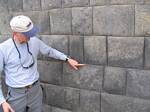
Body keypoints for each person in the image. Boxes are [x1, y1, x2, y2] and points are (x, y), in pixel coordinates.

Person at [0, 15, 85, 112]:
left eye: (31, 32)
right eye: (27, 34)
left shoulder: (34, 41)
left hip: (35, 91)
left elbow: (49, 51)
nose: (30, 36)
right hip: (16, 95)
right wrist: (2, 101)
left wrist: (67, 59)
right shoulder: (3, 49)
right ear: (15, 33)